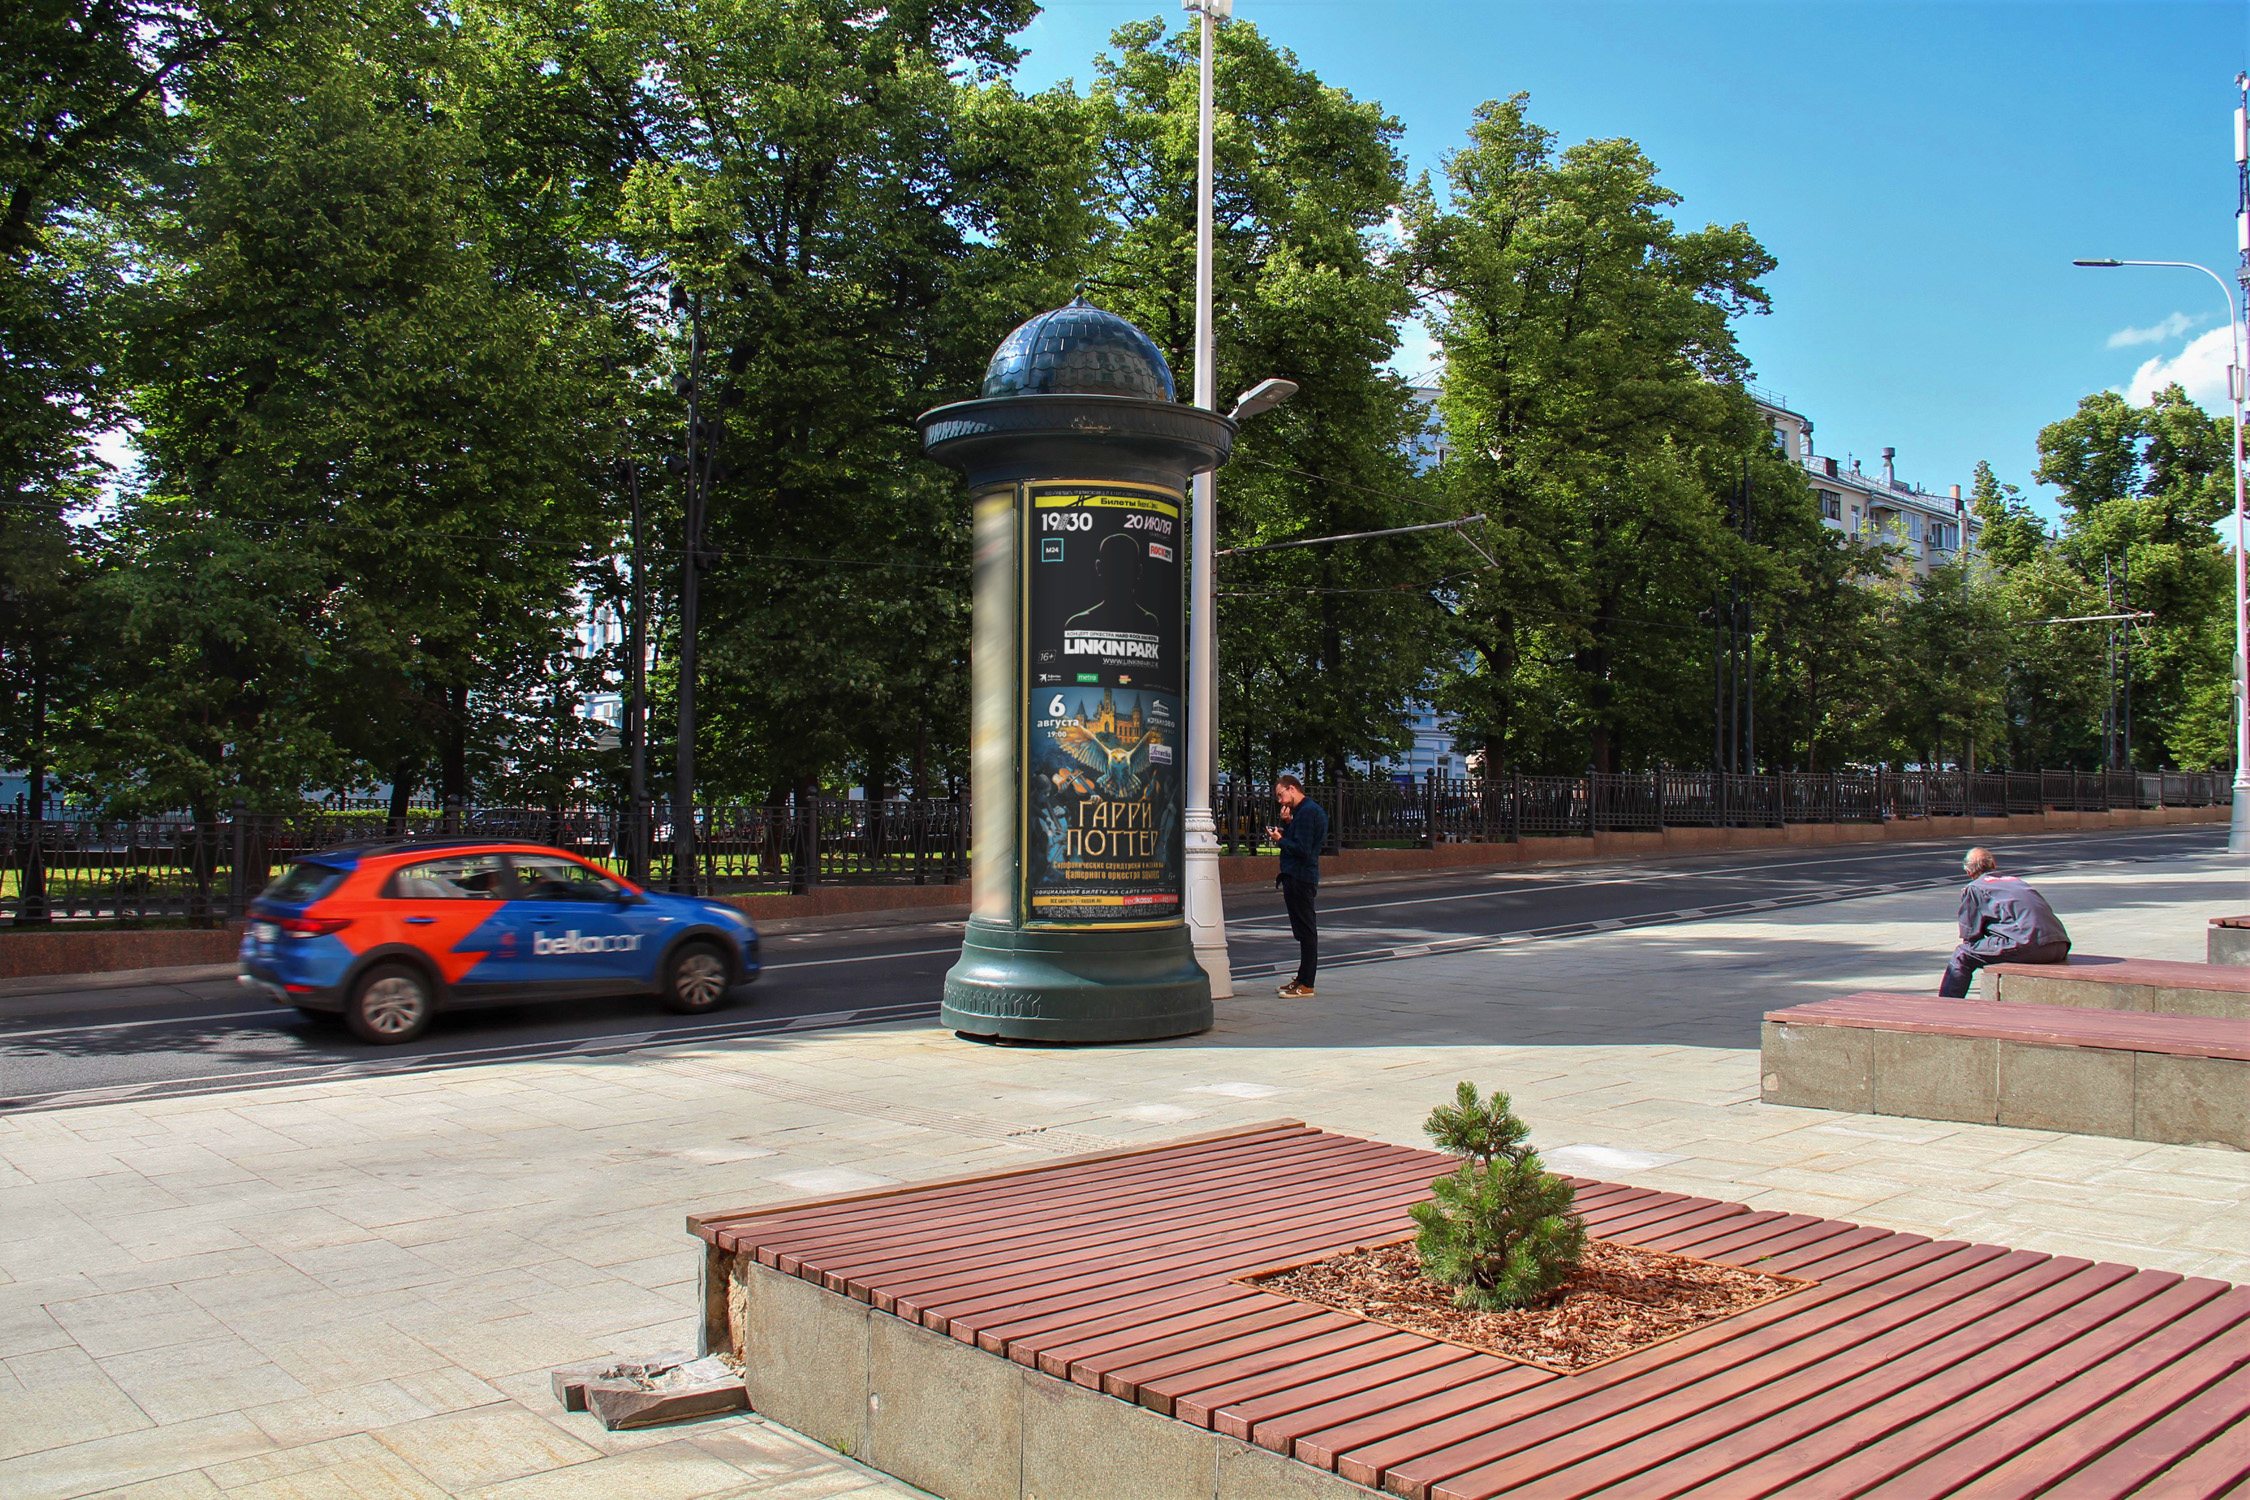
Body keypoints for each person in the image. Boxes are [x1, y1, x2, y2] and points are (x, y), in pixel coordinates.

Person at [1939, 847, 2071, 998]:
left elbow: (1970, 936)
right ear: (1994, 865)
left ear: (1968, 872)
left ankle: (1946, 1005)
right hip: (2059, 945)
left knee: (1962, 954)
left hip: (2031, 946)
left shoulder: (1975, 888)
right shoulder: (2016, 881)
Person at [1267, 775, 1328, 998]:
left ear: (1292, 788)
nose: (1280, 801)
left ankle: (1307, 983)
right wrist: (1287, 824)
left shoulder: (1308, 812)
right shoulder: (1303, 812)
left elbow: (1303, 849)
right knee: (1303, 931)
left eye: (1281, 795)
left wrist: (1279, 840)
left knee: (1306, 931)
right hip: (1297, 876)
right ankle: (1302, 979)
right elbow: (1301, 841)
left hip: (1300, 877)